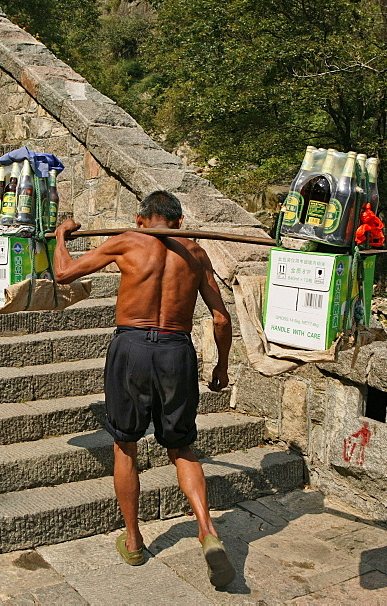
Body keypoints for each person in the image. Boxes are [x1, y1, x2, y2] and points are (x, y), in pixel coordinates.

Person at [53, 190, 236, 588]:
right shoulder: (196, 254)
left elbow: (64, 274)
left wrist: (61, 236)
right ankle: (207, 530)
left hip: (131, 348)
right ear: (178, 220)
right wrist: (221, 365)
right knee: (182, 447)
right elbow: (221, 319)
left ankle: (134, 540)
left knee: (125, 445)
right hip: (176, 351)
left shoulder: (126, 241)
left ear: (141, 219)